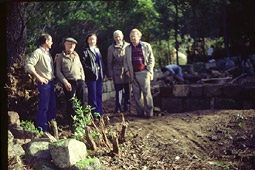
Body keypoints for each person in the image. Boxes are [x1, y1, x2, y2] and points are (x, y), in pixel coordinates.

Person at [25, 33, 56, 132]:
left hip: (51, 83)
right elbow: (29, 65)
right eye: (50, 40)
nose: (52, 42)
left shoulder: (47, 53)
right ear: (46, 41)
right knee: (44, 107)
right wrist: (39, 77)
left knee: (52, 106)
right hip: (44, 84)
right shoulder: (38, 52)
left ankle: (51, 129)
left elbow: (46, 68)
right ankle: (42, 130)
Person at [124, 28, 155, 118]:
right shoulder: (127, 48)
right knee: (137, 94)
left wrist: (148, 70)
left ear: (139, 36)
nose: (133, 38)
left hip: (144, 72)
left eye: (134, 36)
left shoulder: (146, 46)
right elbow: (125, 61)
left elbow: (151, 59)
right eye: (131, 36)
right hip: (133, 73)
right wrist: (127, 70)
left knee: (146, 93)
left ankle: (149, 113)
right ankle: (140, 113)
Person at [56, 37, 86, 125]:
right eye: (69, 44)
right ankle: (72, 124)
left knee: (82, 102)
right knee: (71, 104)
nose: (71, 46)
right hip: (69, 83)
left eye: (73, 44)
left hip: (80, 82)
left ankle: (81, 122)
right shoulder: (60, 57)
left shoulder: (76, 55)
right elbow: (58, 71)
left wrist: (83, 80)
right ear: (65, 44)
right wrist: (65, 82)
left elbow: (81, 68)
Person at [80, 34, 104, 117]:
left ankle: (100, 114)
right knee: (92, 97)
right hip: (91, 77)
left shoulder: (97, 50)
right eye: (90, 39)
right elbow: (83, 64)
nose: (92, 41)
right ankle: (94, 115)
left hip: (99, 76)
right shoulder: (85, 51)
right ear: (87, 41)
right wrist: (91, 71)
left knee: (99, 95)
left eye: (94, 39)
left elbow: (100, 63)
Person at [107, 30, 130, 113]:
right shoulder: (111, 48)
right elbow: (109, 62)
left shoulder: (128, 46)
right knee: (118, 91)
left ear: (122, 36)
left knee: (127, 90)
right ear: (114, 38)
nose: (118, 38)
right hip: (117, 72)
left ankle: (127, 107)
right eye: (116, 37)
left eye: (119, 36)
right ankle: (118, 107)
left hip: (127, 72)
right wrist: (111, 74)